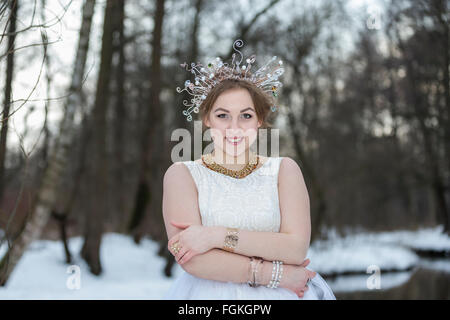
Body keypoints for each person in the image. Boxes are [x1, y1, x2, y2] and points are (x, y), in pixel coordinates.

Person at [162, 40, 336, 300]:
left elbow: (296, 249)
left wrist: (214, 236)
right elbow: (192, 260)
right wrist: (273, 274)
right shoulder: (181, 175)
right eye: (222, 116)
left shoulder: (284, 171)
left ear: (259, 120)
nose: (234, 127)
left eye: (246, 115)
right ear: (207, 118)